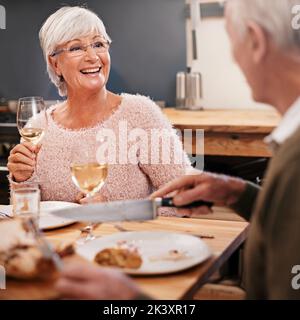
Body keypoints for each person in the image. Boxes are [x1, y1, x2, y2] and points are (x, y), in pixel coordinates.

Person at [55, 0, 300, 300]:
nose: (233, 59)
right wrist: (238, 193)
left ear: (256, 41)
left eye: (231, 41)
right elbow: (287, 214)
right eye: (77, 47)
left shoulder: (294, 160)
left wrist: (132, 302)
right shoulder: (291, 151)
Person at [7, 6, 190, 207]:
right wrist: (22, 179)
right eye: (76, 48)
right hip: (60, 240)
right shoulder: (39, 126)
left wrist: (115, 213)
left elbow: (186, 198)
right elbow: (26, 213)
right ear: (55, 64)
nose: (93, 57)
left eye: (98, 44)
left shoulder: (139, 114)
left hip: (125, 239)